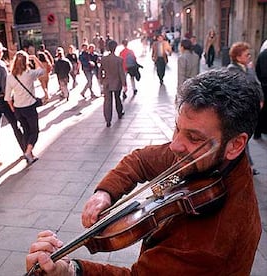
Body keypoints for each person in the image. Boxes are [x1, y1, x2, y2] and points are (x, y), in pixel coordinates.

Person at [25, 68, 262, 275]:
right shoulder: (203, 157)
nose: (175, 145)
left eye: (193, 137)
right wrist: (105, 193)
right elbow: (141, 160)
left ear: (236, 145)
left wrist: (70, 271)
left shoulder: (213, 243)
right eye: (177, 128)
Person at [0, 40, 25, 170]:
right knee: (15, 125)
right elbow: (6, 87)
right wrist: (11, 101)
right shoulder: (1, 67)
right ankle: (25, 149)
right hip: (3, 100)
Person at [227, 41, 264, 175]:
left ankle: (246, 165)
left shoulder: (247, 68)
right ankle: (247, 165)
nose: (249, 57)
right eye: (247, 55)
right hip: (239, 110)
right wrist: (250, 70)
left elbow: (256, 84)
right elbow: (245, 85)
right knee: (242, 139)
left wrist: (261, 99)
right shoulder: (232, 69)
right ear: (238, 57)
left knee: (244, 138)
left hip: (249, 108)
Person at [5, 50, 45, 165]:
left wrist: (12, 108)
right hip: (29, 107)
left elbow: (7, 97)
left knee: (26, 131)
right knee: (34, 131)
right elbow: (42, 70)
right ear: (26, 61)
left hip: (18, 108)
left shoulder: (10, 77)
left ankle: (29, 155)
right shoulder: (29, 74)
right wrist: (35, 58)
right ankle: (28, 152)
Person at [98, 40, 127, 128]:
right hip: (117, 82)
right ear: (115, 48)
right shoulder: (119, 59)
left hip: (107, 82)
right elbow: (121, 72)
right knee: (117, 98)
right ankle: (119, 113)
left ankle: (108, 120)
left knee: (107, 101)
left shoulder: (103, 59)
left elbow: (100, 71)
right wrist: (124, 84)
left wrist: (101, 80)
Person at [255, 40, 267, 139]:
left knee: (262, 110)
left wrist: (262, 81)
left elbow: (257, 69)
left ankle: (258, 132)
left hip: (264, 85)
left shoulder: (262, 54)